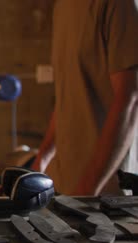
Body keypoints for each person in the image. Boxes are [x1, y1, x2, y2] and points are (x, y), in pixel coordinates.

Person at [32, 0, 138, 195]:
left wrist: (88, 190)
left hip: (105, 192)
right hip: (67, 186)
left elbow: (130, 99)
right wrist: (41, 160)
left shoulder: (118, 5)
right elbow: (68, 95)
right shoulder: (62, 7)